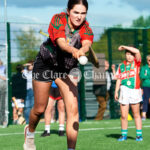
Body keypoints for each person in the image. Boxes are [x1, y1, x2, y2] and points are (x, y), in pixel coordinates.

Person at [23, 0, 93, 150]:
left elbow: (87, 43)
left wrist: (84, 49)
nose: (79, 17)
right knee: (40, 109)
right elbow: (61, 42)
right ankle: (30, 133)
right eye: (76, 12)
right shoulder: (58, 19)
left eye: (83, 13)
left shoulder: (86, 28)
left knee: (73, 108)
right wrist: (73, 50)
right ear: (68, 11)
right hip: (46, 63)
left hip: (66, 69)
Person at [115, 45, 143, 142]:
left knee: (136, 114)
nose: (129, 56)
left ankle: (139, 135)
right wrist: (116, 91)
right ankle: (124, 135)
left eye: (131, 55)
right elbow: (119, 79)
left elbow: (137, 51)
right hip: (124, 91)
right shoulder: (121, 66)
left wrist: (124, 46)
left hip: (134, 90)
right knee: (123, 115)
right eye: (127, 54)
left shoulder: (136, 63)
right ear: (125, 55)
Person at [140, 55, 150, 120]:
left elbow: (145, 76)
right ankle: (143, 115)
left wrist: (147, 76)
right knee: (145, 100)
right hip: (146, 86)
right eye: (149, 60)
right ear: (147, 60)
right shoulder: (144, 68)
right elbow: (141, 76)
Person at [0, 59, 6, 125]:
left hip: (3, 88)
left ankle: (2, 121)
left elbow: (6, 78)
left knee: (2, 105)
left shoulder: (4, 68)